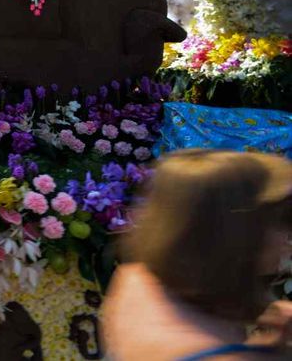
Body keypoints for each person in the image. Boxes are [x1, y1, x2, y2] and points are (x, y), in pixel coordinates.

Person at [103, 149, 292, 360]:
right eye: (280, 221)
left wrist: (269, 345)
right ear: (239, 234)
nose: (287, 238)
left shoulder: (137, 278)